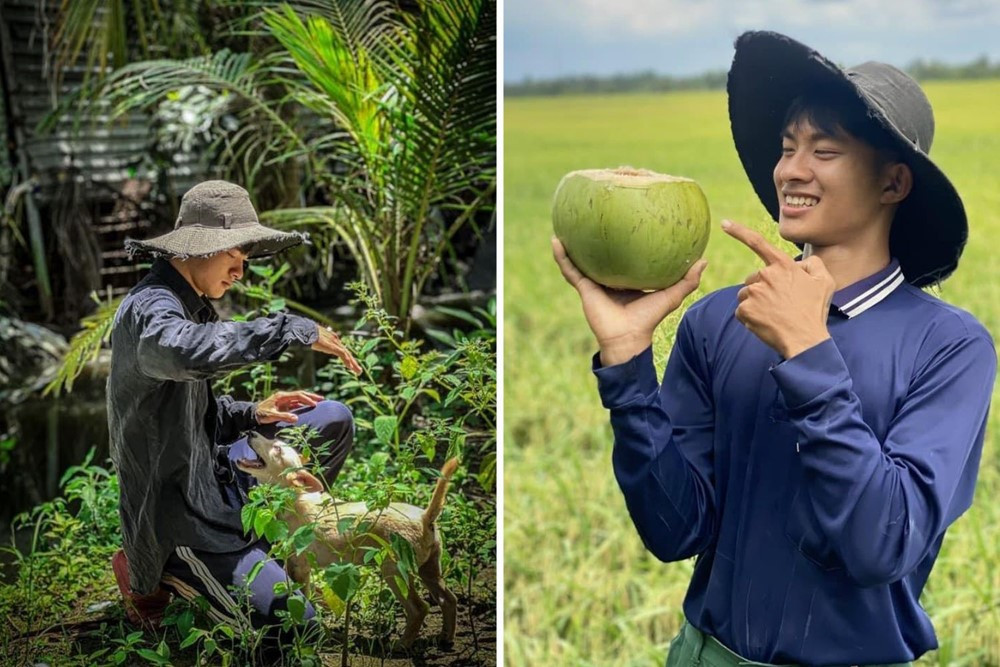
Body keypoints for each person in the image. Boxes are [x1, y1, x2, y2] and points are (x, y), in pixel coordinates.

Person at [553, 31, 996, 666]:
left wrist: (808, 350)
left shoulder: (951, 348)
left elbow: (882, 543)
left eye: (825, 150)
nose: (791, 169)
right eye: (788, 148)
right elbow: (676, 530)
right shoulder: (719, 320)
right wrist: (626, 361)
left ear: (894, 182)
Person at [107, 180, 363, 633]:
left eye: (244, 260)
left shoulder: (193, 304)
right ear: (201, 248)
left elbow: (187, 416)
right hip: (180, 514)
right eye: (234, 257)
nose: (240, 272)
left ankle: (270, 546)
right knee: (295, 626)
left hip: (217, 474)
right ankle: (159, 576)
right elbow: (184, 352)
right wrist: (288, 328)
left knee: (331, 420)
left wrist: (250, 413)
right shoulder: (150, 311)